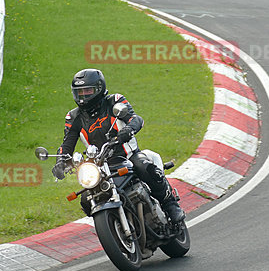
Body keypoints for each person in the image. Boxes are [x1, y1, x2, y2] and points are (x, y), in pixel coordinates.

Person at [52, 68, 185, 223]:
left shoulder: (114, 101)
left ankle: (170, 204)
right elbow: (67, 144)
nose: (83, 97)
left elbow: (135, 119)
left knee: (144, 167)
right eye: (80, 92)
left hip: (128, 155)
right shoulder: (73, 116)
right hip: (100, 166)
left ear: (99, 88)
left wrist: (128, 130)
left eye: (88, 91)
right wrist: (60, 162)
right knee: (86, 200)